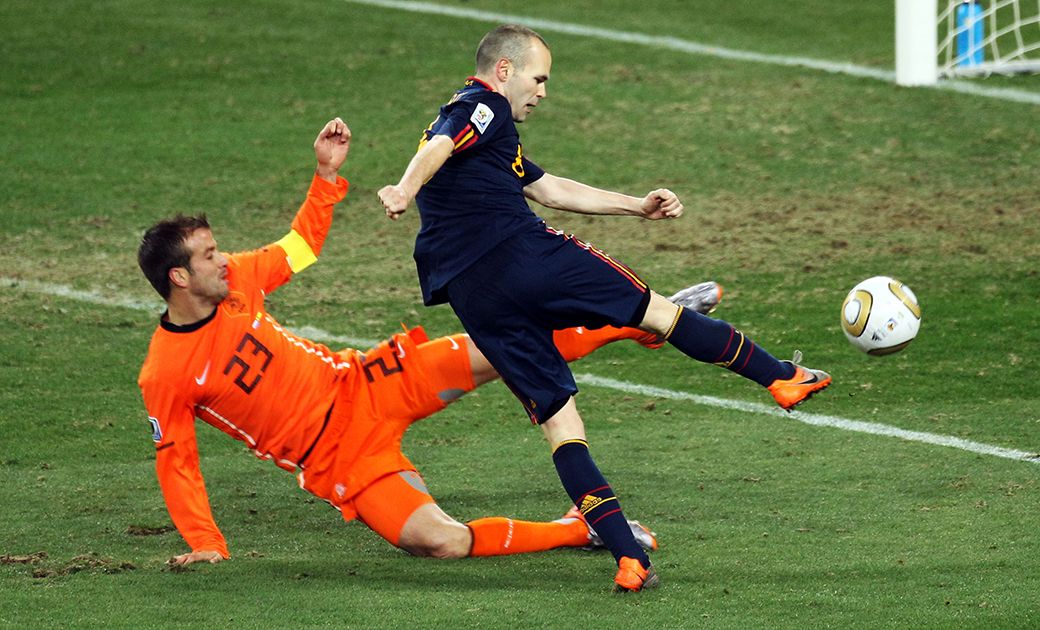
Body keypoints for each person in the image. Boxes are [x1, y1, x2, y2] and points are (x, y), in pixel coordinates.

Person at [136, 118, 723, 567]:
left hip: (367, 382)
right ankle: (580, 527)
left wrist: (325, 177)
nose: (223, 260)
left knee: (502, 345)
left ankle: (640, 319)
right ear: (179, 278)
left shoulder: (238, 281)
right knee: (437, 541)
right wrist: (207, 544)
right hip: (341, 459)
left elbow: (299, 248)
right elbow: (177, 461)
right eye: (209, 255)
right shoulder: (164, 372)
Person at [376, 24, 832, 592]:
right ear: (503, 71)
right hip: (524, 255)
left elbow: (549, 188)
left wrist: (634, 206)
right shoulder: (482, 104)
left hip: (474, 294)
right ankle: (780, 377)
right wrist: (403, 189)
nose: (542, 92)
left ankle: (627, 558)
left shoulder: (490, 136)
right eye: (538, 78)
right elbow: (437, 146)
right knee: (658, 314)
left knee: (561, 425)